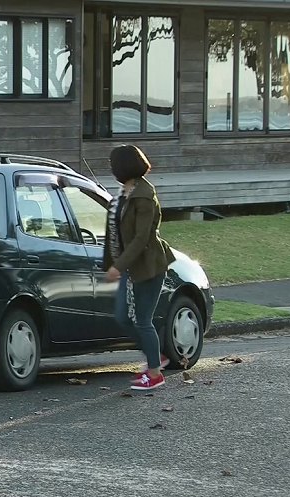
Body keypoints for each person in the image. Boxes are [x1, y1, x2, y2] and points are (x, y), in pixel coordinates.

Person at [103, 144, 175, 391]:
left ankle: (155, 375)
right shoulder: (124, 193)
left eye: (113, 164)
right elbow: (115, 232)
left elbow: (141, 238)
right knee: (123, 317)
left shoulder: (143, 195)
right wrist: (112, 264)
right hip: (130, 267)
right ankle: (155, 355)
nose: (111, 168)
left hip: (148, 265)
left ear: (123, 166)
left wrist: (118, 266)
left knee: (143, 320)